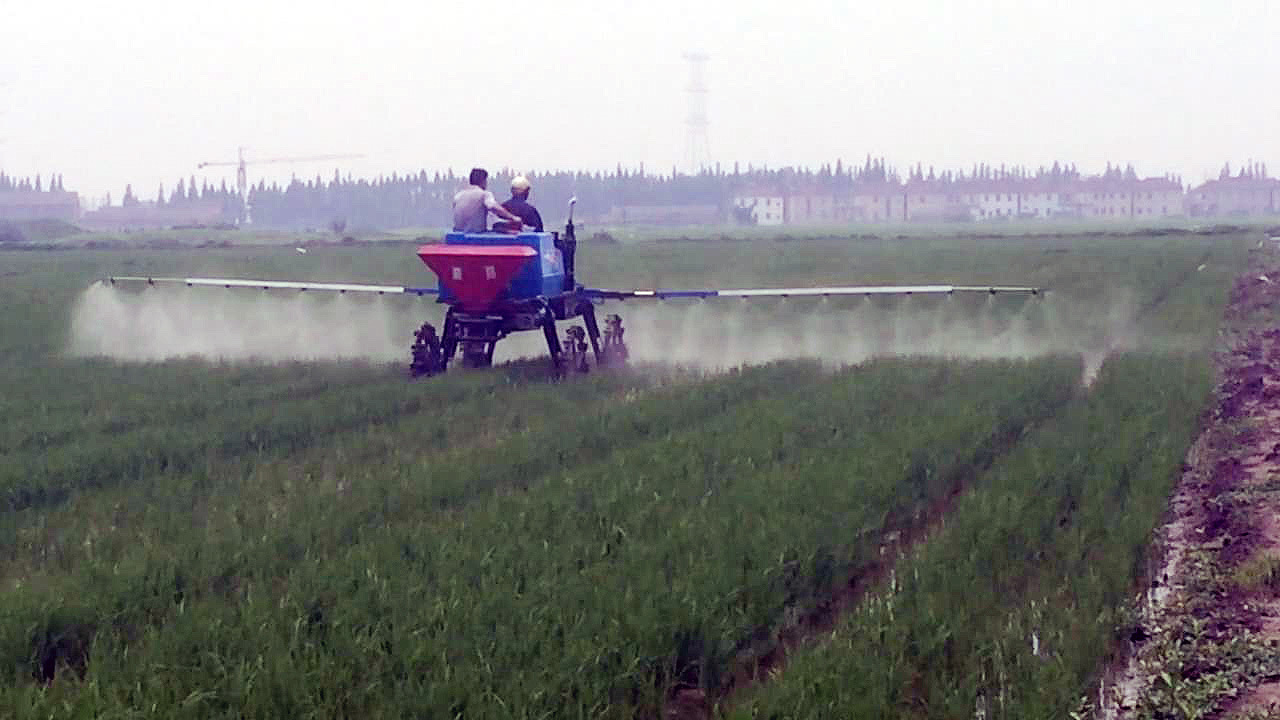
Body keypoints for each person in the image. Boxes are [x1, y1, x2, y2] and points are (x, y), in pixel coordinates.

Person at [452, 168, 522, 232]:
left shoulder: (458, 196)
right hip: (476, 236)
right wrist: (513, 217)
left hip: (458, 235)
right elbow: (492, 206)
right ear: (483, 181)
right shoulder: (484, 194)